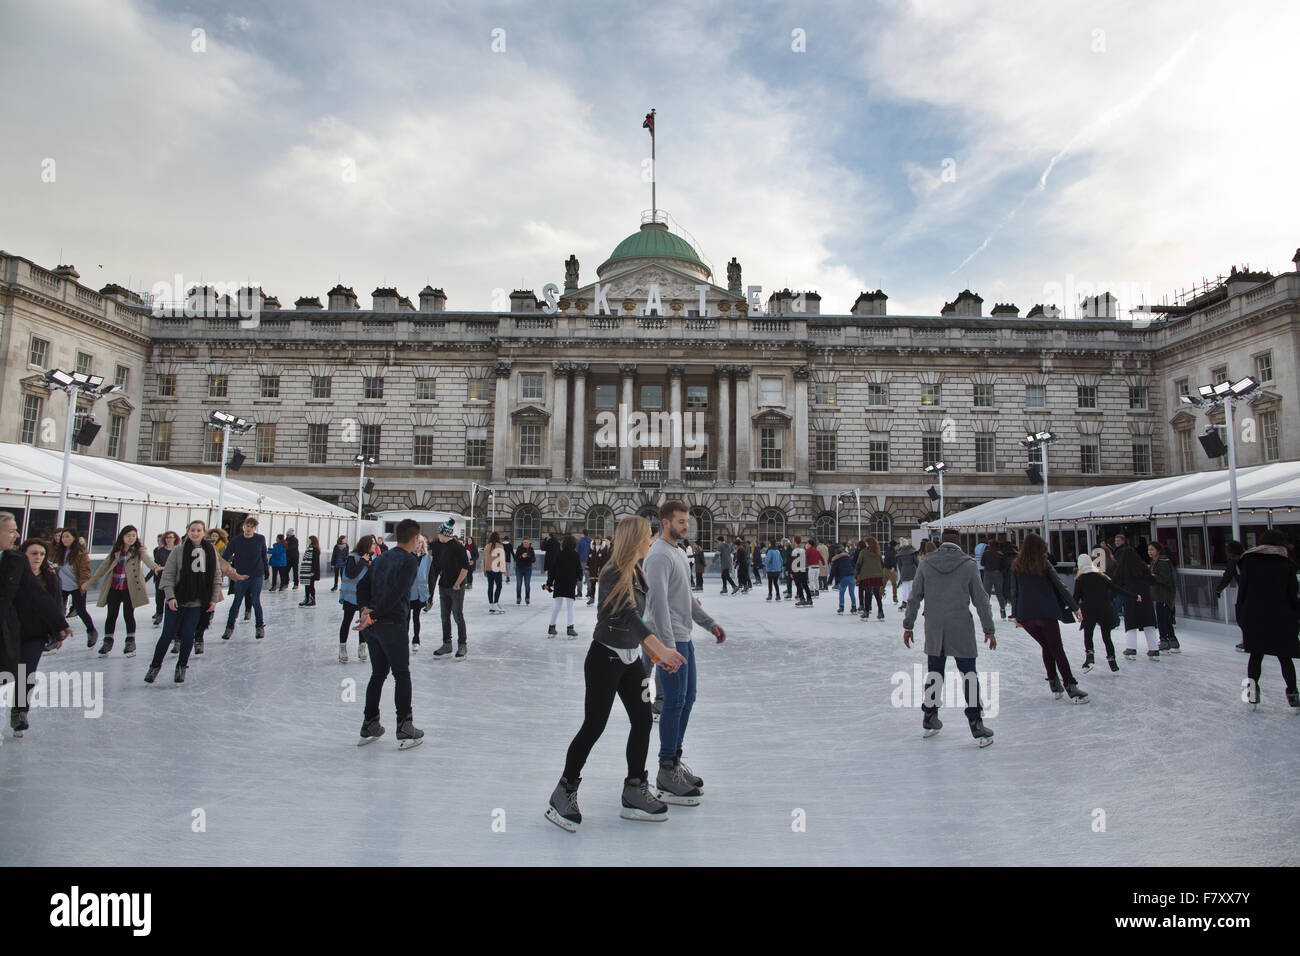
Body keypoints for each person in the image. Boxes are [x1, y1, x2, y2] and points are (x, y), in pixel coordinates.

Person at [546, 516, 688, 831]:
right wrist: (660, 651)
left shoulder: (639, 571)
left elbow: (645, 619)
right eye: (648, 537)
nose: (652, 540)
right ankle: (564, 791)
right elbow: (628, 617)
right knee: (594, 725)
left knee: (642, 718)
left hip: (632, 661)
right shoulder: (612, 572)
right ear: (636, 539)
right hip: (605, 660)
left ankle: (635, 787)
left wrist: (655, 652)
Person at [644, 500, 726, 806]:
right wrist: (666, 647)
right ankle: (666, 769)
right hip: (671, 642)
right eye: (680, 521)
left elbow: (685, 598)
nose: (685, 526)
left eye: (687, 521)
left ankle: (674, 761)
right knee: (674, 703)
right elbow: (658, 605)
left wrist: (709, 623)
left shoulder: (679, 552)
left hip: (684, 638)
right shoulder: (658, 556)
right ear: (665, 522)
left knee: (687, 699)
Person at [902, 530, 997, 746]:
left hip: (934, 626)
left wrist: (908, 625)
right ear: (959, 543)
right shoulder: (968, 564)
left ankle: (930, 716)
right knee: (969, 674)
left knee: (935, 673)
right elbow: (981, 600)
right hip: (960, 624)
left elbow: (914, 596)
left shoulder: (926, 563)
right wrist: (988, 629)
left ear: (941, 542)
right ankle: (976, 723)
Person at [354, 518, 425, 748]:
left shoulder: (381, 557)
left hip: (373, 627)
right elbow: (397, 594)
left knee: (378, 673)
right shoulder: (409, 561)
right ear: (414, 539)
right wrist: (372, 615)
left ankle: (370, 722)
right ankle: (405, 725)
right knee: (401, 674)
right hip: (390, 624)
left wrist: (365, 609)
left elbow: (361, 585)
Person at [1, 515, 71, 738]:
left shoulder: (16, 561)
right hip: (11, 630)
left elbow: (39, 596)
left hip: (28, 632)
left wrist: (59, 623)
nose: (16, 535)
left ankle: (19, 711)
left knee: (25, 673)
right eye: (11, 531)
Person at [1008, 532, 1089, 703]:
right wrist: (1075, 607)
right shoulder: (1043, 564)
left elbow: (1014, 592)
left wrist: (1015, 614)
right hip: (1046, 614)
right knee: (1056, 649)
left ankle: (1054, 682)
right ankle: (1070, 686)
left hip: (1027, 615)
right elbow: (1060, 586)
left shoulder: (1017, 565)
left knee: (1047, 647)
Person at [145, 520, 224, 685]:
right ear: (188, 532)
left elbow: (216, 576)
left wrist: (213, 599)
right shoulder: (178, 551)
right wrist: (170, 596)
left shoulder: (211, 552)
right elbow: (168, 575)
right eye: (192, 530)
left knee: (188, 635)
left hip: (197, 602)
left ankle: (181, 666)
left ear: (204, 533)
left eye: (199, 530)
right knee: (167, 634)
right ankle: (155, 666)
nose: (195, 533)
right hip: (178, 600)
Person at [1236, 529, 1300, 711]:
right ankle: (1293, 694)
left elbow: (1243, 590)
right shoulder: (1286, 564)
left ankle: (1252, 694)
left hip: (1255, 616)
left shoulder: (1248, 561)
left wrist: (1241, 613)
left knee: (1256, 656)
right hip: (1281, 616)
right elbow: (1292, 594)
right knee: (1285, 657)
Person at [85, 525, 160, 657]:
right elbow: (102, 568)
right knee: (111, 615)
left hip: (130, 588)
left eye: (133, 535)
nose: (131, 538)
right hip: (114, 587)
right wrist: (89, 583)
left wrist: (156, 568)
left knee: (128, 614)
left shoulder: (139, 551)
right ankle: (108, 641)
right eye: (128, 535)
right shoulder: (116, 551)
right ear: (122, 537)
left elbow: (148, 560)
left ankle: (130, 641)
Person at [1073, 552, 1134, 673]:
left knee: (1088, 634)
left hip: (1089, 610)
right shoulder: (1101, 576)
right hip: (1104, 609)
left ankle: (1090, 657)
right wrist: (1134, 596)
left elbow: (1075, 598)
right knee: (1107, 637)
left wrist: (1067, 606)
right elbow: (1116, 589)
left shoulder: (1080, 579)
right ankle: (1112, 662)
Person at [1112, 533, 1160, 660]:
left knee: (1131, 623)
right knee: (1148, 623)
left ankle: (1131, 648)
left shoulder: (1122, 568)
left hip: (1131, 597)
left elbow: (1115, 583)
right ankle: (1154, 649)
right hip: (1145, 597)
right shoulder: (1142, 566)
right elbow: (1152, 581)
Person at [221, 517, 269, 641]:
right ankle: (229, 627)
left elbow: (263, 554)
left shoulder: (260, 539)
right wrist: (225, 569)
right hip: (240, 576)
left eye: (251, 527)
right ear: (243, 527)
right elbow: (226, 556)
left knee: (255, 601)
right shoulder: (237, 540)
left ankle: (259, 626)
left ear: (255, 528)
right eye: (247, 526)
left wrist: (266, 570)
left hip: (256, 575)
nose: (248, 529)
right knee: (237, 601)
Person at [50, 529, 96, 646]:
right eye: (62, 537)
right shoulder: (58, 551)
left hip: (77, 586)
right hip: (61, 586)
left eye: (67, 537)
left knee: (81, 611)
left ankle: (91, 631)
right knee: (57, 612)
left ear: (74, 538)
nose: (64, 539)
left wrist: (84, 583)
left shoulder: (80, 552)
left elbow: (85, 569)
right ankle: (55, 638)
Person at [433, 519, 470, 660]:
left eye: (439, 533)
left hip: (456, 587)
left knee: (457, 615)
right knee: (444, 616)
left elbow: (465, 568)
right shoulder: (440, 546)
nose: (438, 536)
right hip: (443, 586)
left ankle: (462, 644)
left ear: (445, 534)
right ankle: (447, 644)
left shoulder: (457, 547)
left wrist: (457, 583)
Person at [337, 535, 374, 664]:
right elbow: (352, 574)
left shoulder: (371, 558)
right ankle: (343, 647)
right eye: (372, 543)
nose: (375, 546)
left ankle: (362, 646)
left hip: (364, 598)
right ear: (366, 545)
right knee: (347, 621)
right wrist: (363, 562)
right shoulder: (353, 557)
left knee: (364, 622)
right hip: (350, 597)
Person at [547, 535, 583, 638]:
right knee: (570, 607)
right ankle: (570, 628)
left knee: (557, 606)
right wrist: (579, 578)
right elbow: (579, 569)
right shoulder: (575, 555)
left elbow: (552, 571)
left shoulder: (559, 554)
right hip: (570, 583)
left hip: (559, 583)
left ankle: (551, 627)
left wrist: (549, 583)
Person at [1148, 542, 1181, 653]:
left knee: (1162, 618)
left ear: (1158, 551)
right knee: (1164, 618)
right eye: (1149, 550)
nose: (1150, 552)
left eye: (1152, 550)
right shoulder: (1155, 561)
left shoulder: (1163, 562)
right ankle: (1172, 640)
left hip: (1164, 595)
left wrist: (1152, 577)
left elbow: (1164, 578)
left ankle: (1164, 640)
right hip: (1159, 594)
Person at [1215, 540, 1245, 651]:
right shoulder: (1249, 558)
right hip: (1255, 593)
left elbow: (1227, 576)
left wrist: (1219, 589)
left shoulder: (1235, 562)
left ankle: (1248, 640)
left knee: (1243, 618)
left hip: (1246, 594)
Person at [150, 531, 178, 626]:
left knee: (171, 597)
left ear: (175, 539)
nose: (169, 539)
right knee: (159, 598)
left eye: (171, 537)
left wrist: (163, 567)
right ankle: (159, 615)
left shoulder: (178, 550)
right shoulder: (160, 551)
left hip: (174, 578)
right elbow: (156, 565)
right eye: (167, 537)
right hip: (161, 578)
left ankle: (172, 617)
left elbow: (177, 566)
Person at [409, 536, 432, 651]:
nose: (418, 545)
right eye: (416, 543)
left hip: (420, 594)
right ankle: (403, 640)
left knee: (416, 618)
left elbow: (430, 577)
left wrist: (429, 594)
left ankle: (416, 639)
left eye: (420, 543)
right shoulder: (408, 556)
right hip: (408, 594)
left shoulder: (427, 558)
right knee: (405, 618)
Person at [855, 537, 886, 620]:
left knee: (868, 594)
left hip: (867, 576)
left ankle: (866, 611)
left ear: (868, 543)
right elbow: (882, 564)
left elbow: (858, 564)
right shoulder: (877, 552)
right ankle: (881, 611)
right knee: (877, 594)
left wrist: (856, 575)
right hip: (877, 576)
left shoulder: (863, 553)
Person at [483, 532, 507, 614]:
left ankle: (491, 604)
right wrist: (504, 570)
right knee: (499, 586)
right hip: (496, 569)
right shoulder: (500, 546)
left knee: (490, 586)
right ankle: (495, 602)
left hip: (488, 569)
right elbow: (502, 559)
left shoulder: (487, 546)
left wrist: (484, 570)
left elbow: (484, 559)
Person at [829, 545, 857, 614]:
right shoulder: (848, 558)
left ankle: (841, 607)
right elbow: (854, 565)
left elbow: (833, 571)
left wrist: (829, 581)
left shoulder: (836, 560)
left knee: (842, 592)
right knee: (852, 593)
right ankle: (854, 607)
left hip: (844, 577)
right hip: (852, 576)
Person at [981, 540, 1005, 619]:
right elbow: (1003, 566)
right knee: (999, 593)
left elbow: (982, 563)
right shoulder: (1000, 554)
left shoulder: (986, 553)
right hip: (998, 574)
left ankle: (987, 610)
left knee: (987, 593)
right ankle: (1002, 609)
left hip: (988, 573)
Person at [298, 535, 322, 607]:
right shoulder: (309, 548)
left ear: (312, 541)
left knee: (311, 585)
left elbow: (315, 561)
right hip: (307, 571)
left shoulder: (314, 549)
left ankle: (312, 599)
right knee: (307, 585)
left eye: (309, 540)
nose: (308, 541)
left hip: (311, 571)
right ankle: (307, 598)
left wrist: (312, 571)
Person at [895, 539, 919, 609]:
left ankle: (904, 602)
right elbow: (917, 562)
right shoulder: (911, 552)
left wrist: (901, 573)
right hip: (912, 570)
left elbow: (899, 565)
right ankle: (913, 601)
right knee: (911, 587)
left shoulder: (899, 554)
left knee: (905, 588)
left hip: (904, 571)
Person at [790, 536, 812, 607]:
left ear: (795, 541)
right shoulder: (803, 550)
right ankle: (809, 599)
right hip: (803, 569)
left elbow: (793, 562)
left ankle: (802, 598)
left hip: (797, 569)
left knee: (798, 585)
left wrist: (792, 571)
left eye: (793, 540)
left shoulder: (794, 551)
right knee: (805, 584)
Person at [585, 537, 607, 606]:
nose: (597, 541)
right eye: (596, 540)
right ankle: (592, 599)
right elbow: (588, 558)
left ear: (601, 541)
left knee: (601, 586)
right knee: (592, 585)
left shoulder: (604, 549)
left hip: (600, 570)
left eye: (598, 540)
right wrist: (587, 568)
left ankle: (602, 600)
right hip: (592, 570)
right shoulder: (592, 548)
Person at [514, 538, 536, 605]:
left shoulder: (531, 549)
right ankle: (518, 597)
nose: (526, 544)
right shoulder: (519, 548)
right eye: (524, 542)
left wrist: (528, 557)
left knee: (527, 584)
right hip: (519, 569)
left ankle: (527, 597)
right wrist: (521, 556)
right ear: (522, 543)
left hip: (528, 569)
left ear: (529, 543)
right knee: (519, 584)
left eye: (527, 542)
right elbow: (515, 558)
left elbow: (534, 559)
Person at [576, 529, 593, 595]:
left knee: (580, 577)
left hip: (581, 561)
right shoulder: (592, 541)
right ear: (588, 534)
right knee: (589, 577)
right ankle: (589, 591)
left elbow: (577, 551)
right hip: (590, 562)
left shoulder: (580, 541)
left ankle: (579, 592)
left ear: (583, 534)